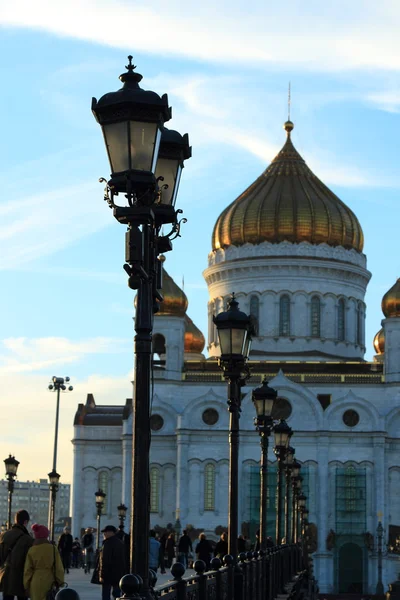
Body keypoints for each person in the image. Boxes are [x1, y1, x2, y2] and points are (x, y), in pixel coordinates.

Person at [23, 524, 64, 600]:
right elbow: (58, 568)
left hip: (35, 581)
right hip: (49, 581)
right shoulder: (53, 549)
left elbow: (27, 570)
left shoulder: (32, 550)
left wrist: (26, 585)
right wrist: (60, 582)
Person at [0, 509, 33, 600]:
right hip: (21, 578)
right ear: (25, 522)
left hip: (6, 576)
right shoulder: (28, 539)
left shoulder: (3, 536)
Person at [92, 525, 126, 600]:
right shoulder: (120, 543)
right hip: (118, 573)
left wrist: (102, 575)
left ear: (111, 533)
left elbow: (104, 560)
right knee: (117, 594)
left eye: (105, 532)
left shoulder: (107, 544)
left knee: (106, 594)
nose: (104, 534)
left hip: (108, 574)